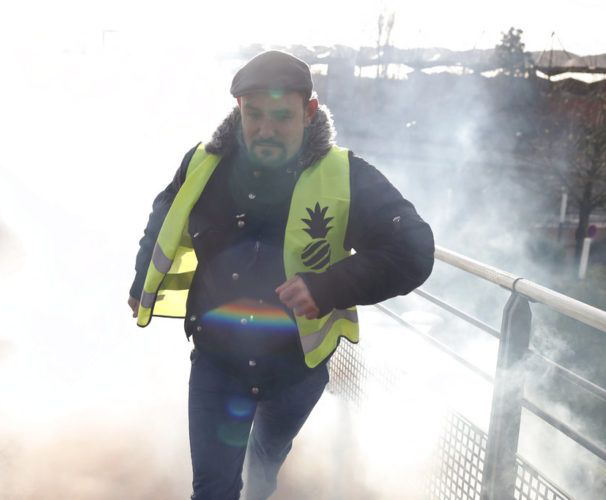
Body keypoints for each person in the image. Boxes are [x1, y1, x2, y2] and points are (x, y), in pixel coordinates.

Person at [128, 50, 434, 500]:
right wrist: (141, 281)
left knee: (263, 466)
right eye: (254, 115)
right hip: (217, 360)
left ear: (309, 112)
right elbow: (164, 214)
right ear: (238, 110)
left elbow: (414, 248)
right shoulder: (203, 163)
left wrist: (329, 285)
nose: (265, 130)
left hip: (294, 370)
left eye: (281, 117)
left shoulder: (346, 175)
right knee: (213, 488)